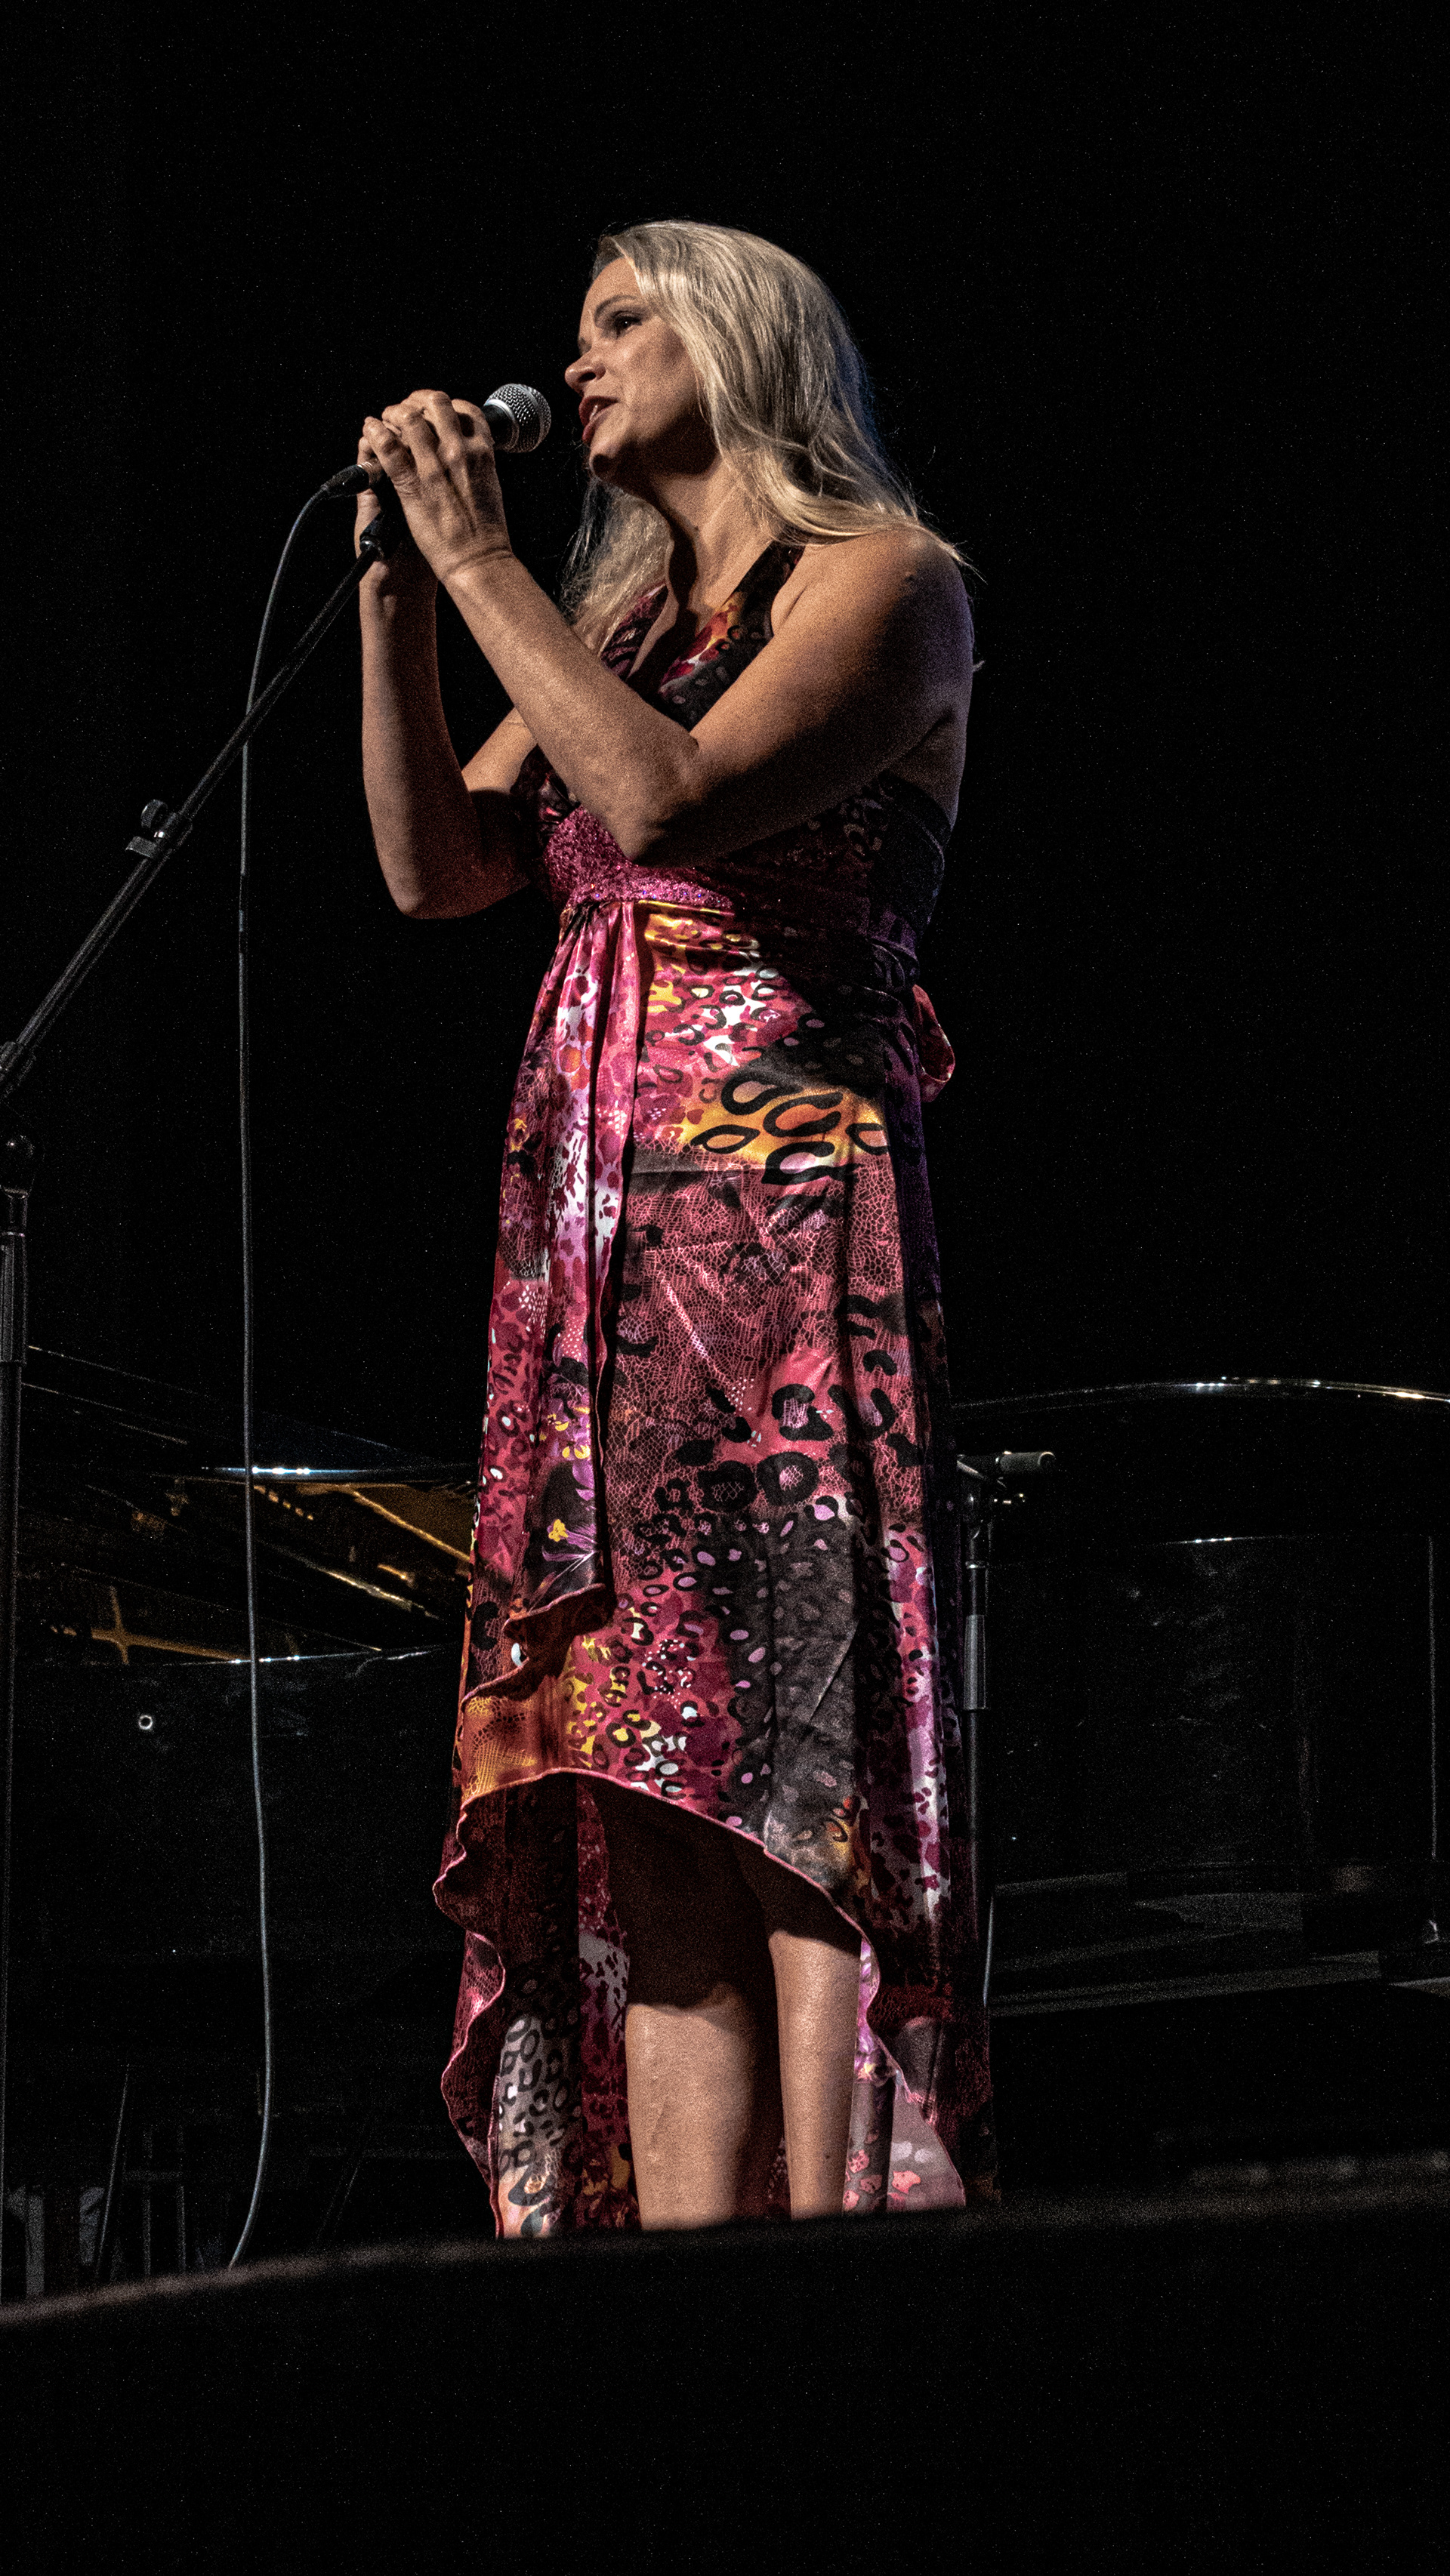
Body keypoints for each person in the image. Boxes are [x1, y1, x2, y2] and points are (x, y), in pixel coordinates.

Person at [356, 220, 992, 2234]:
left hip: (785, 1247)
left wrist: (480, 564)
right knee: (655, 1801)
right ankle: (674, 2332)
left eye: (622, 320)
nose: (579, 359)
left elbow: (664, 806)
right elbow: (441, 869)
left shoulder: (888, 582)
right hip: (598, 1268)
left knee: (802, 1798)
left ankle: (842, 2282)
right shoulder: (618, 631)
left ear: (741, 344)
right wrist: (399, 595)